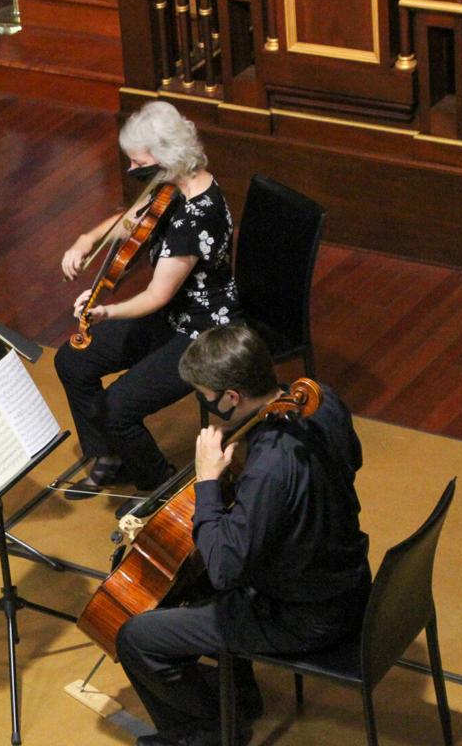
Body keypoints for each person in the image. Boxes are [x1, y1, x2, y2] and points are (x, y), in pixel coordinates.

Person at [115, 324, 371, 746]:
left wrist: (209, 483)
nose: (204, 403)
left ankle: (210, 733)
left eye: (204, 396)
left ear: (231, 397)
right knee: (188, 582)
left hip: (307, 616)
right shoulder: (320, 399)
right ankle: (240, 696)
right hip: (348, 579)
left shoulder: (269, 466)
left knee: (138, 638)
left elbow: (224, 569)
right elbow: (352, 461)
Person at [55, 100, 241, 507]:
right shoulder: (170, 182)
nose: (132, 170)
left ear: (165, 155)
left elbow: (157, 295)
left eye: (137, 161)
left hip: (199, 330)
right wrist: (88, 239)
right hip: (170, 316)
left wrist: (105, 310)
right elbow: (129, 220)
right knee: (72, 360)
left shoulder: (197, 217)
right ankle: (108, 451)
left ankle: (160, 486)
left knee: (118, 404)